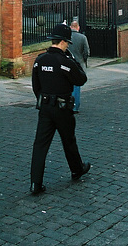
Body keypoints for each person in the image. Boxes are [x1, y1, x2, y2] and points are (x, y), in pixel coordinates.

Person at [30, 23, 91, 195]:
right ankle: (77, 169)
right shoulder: (65, 61)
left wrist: (44, 99)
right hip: (63, 108)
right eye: (67, 43)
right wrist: (72, 60)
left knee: (40, 145)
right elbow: (81, 79)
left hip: (45, 108)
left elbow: (36, 86)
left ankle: (35, 183)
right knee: (68, 141)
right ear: (64, 42)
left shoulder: (39, 60)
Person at [70, 20, 90, 112]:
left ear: (71, 27)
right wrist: (84, 60)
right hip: (79, 64)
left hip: (68, 63)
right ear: (78, 27)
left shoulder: (67, 38)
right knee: (76, 86)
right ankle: (75, 106)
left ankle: (67, 104)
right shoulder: (82, 37)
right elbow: (86, 52)